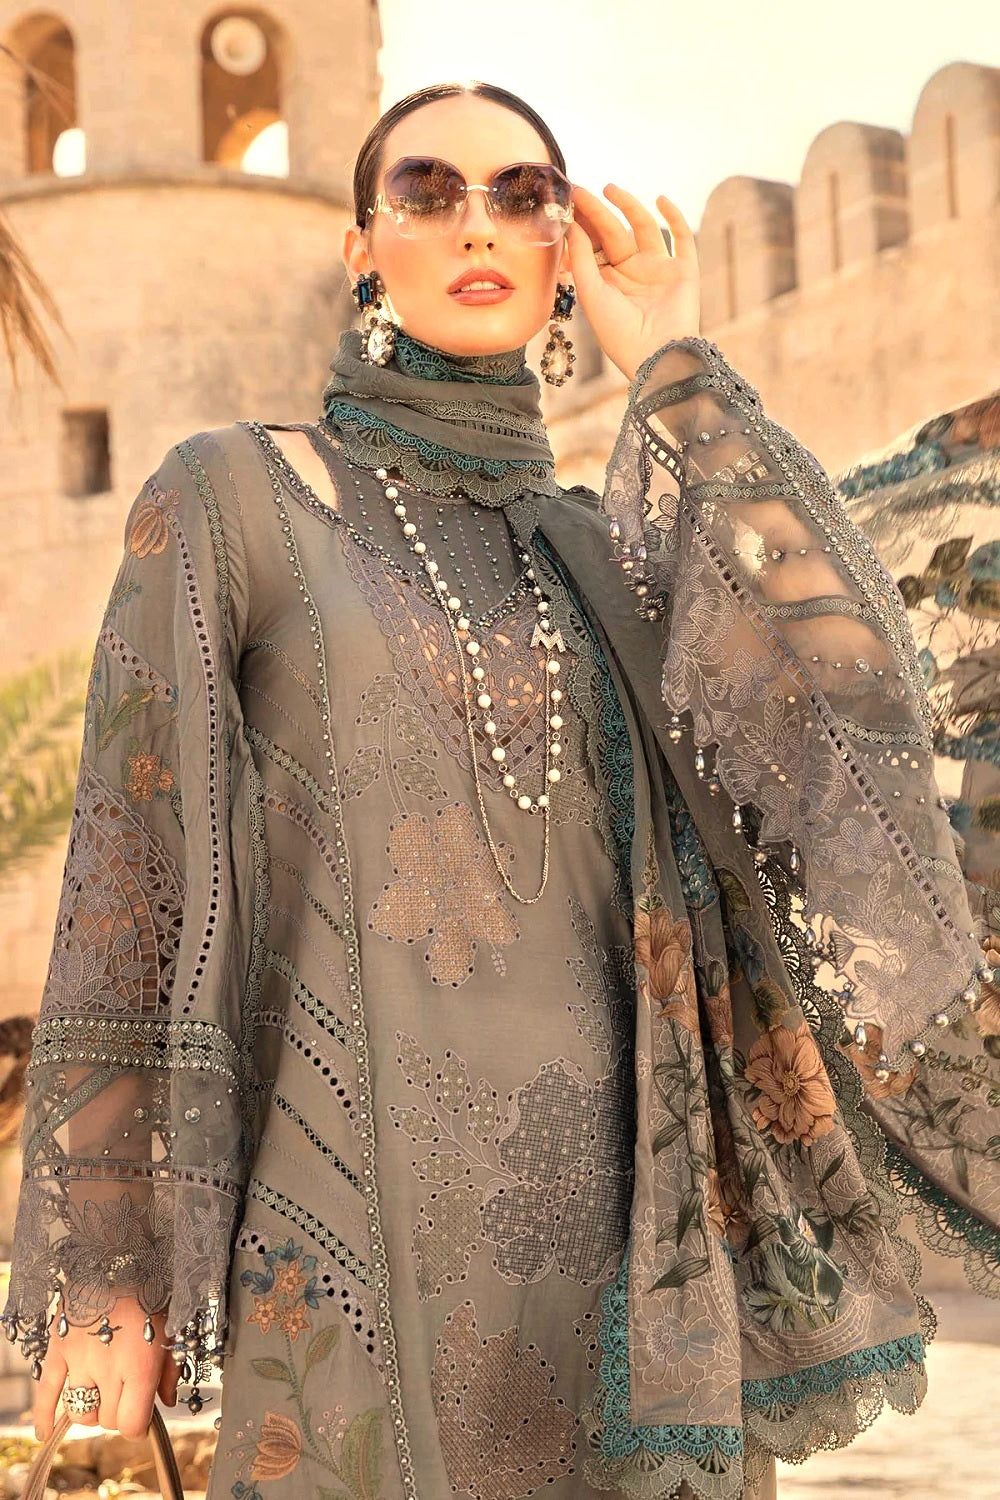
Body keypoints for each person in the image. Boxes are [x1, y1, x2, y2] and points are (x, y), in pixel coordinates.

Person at [4, 79, 998, 1500]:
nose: (478, 223)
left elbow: (847, 703)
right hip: (349, 1223)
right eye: (428, 191)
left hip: (638, 1258)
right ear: (361, 244)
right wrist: (111, 1273)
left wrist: (670, 362)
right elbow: (133, 881)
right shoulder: (237, 497)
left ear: (563, 248)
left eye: (523, 195)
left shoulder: (615, 552)